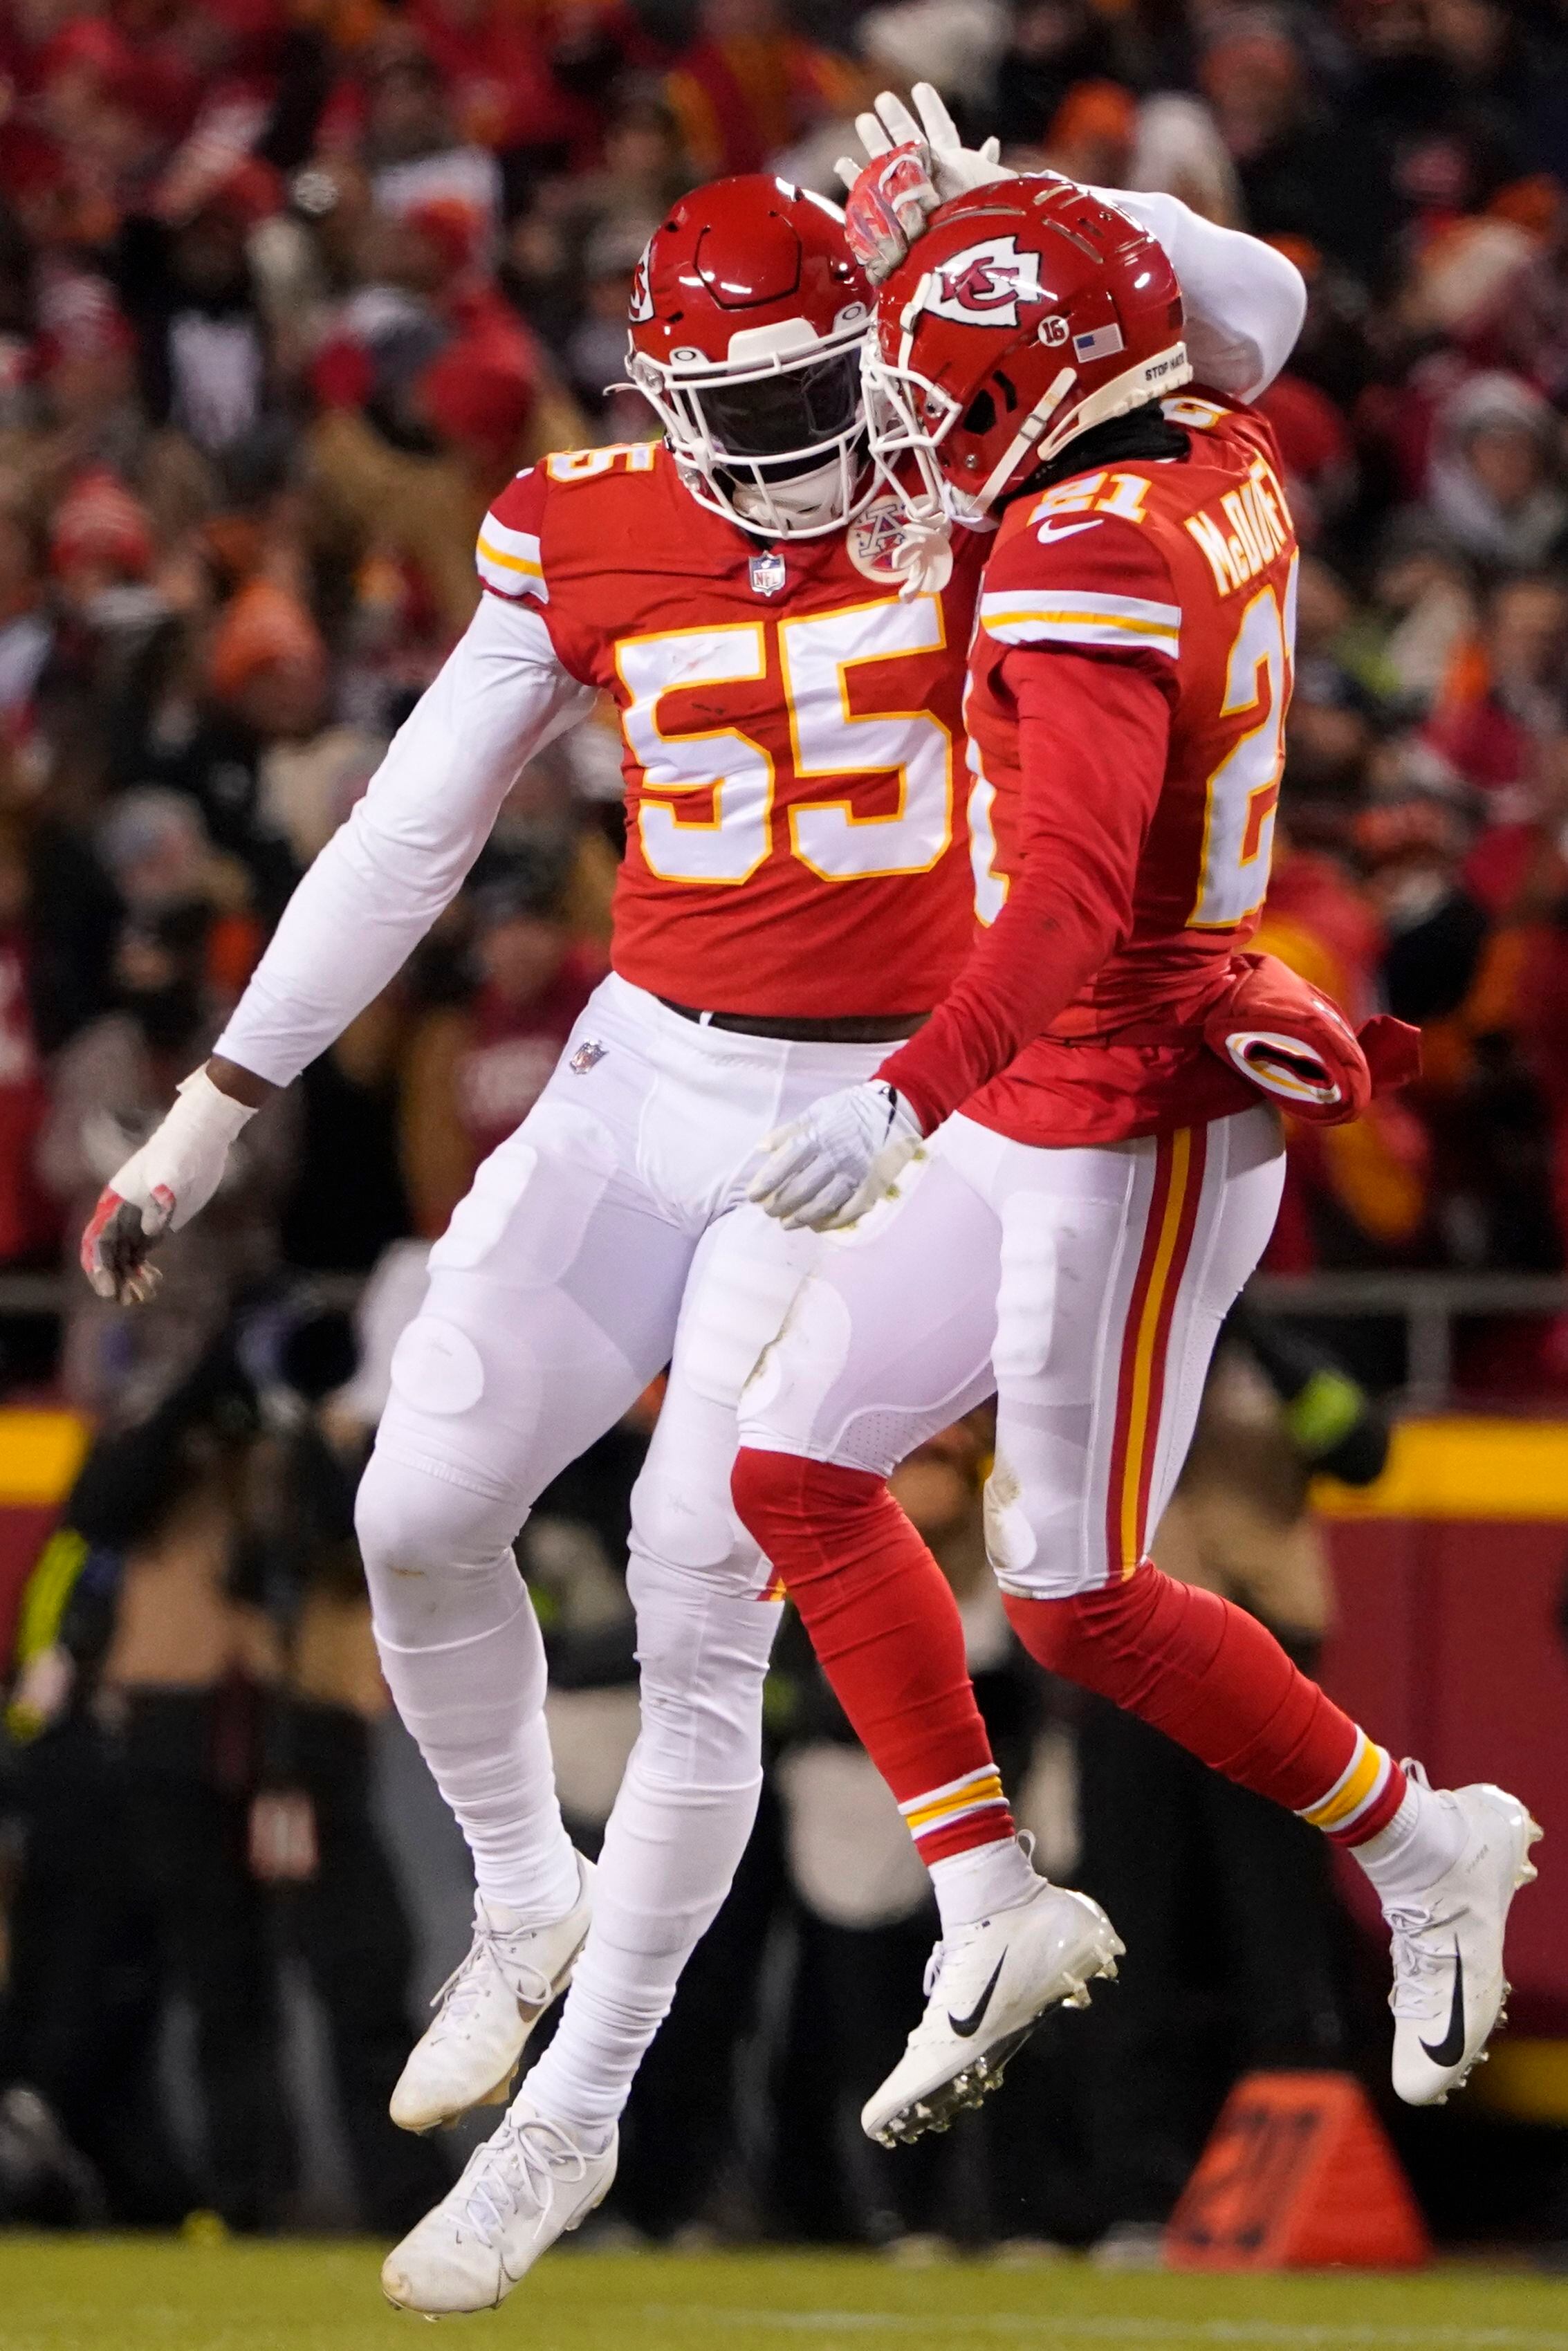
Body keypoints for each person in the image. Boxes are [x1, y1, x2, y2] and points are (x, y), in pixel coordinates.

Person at [76, 120, 1304, 2310]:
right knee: (417, 1508)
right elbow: (406, 831)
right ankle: (519, 1896)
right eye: (736, 415)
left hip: (880, 1102)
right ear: (654, 396)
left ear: (886, 350)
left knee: (694, 1574)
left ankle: (579, 2114)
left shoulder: (989, 483)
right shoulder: (584, 523)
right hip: (642, 1063)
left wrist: (1092, 216)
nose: (794, 455)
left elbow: (1256, 323)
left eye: (826, 397)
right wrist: (212, 1107)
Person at [730, 157, 1540, 2157]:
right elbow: (1239, 280)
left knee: (1074, 1593)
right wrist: (1007, 201)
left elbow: (1074, 893)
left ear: (1048, 378)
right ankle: (992, 1901)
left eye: (941, 396)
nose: (911, 445)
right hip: (1059, 1072)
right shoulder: (1217, 420)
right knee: (794, 1467)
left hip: (1128, 1091)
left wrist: (901, 1090)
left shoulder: (1083, 551)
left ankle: (1427, 1838)